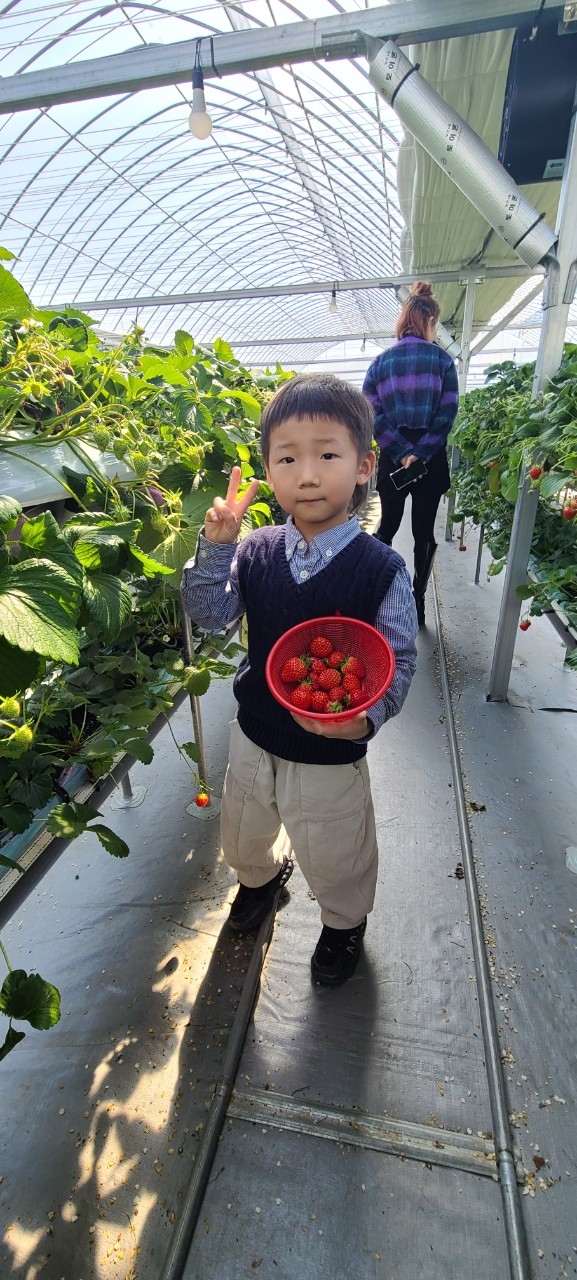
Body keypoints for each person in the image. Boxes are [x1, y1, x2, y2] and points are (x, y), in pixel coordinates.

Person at [181, 373, 417, 986]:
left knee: (336, 847)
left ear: (363, 466)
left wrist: (364, 719)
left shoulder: (381, 569)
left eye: (327, 455)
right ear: (268, 470)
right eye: (287, 458)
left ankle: (343, 922)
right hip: (256, 731)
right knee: (243, 829)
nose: (306, 475)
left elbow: (398, 658)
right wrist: (215, 548)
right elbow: (211, 615)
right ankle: (260, 881)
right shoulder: (254, 550)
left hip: (331, 747)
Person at [362, 281, 459, 626]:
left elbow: (371, 413)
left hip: (393, 457)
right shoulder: (443, 361)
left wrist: (401, 452)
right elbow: (447, 413)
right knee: (424, 532)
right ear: (430, 320)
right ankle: (417, 601)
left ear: (404, 320)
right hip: (430, 461)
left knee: (386, 526)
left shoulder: (380, 363)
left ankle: (378, 594)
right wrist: (421, 452)